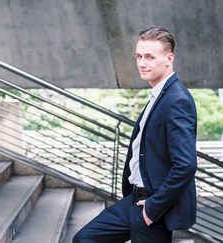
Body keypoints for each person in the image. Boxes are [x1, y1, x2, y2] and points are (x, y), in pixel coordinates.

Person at [73, 27, 197, 243]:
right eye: (139, 56)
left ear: (169, 58)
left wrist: (153, 208)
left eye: (150, 57)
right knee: (85, 239)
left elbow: (185, 164)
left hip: (152, 206)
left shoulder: (177, 100)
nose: (142, 63)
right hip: (134, 200)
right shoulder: (158, 95)